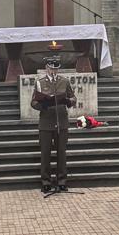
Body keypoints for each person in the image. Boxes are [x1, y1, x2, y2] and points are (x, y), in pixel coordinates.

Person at [30, 54, 72, 194]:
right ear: (46, 68)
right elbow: (33, 102)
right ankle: (46, 182)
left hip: (61, 121)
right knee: (45, 153)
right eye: (51, 68)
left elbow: (72, 97)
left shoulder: (64, 81)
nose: (54, 71)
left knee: (61, 153)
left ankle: (62, 181)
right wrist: (42, 105)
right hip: (46, 121)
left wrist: (69, 101)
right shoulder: (40, 82)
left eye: (56, 69)